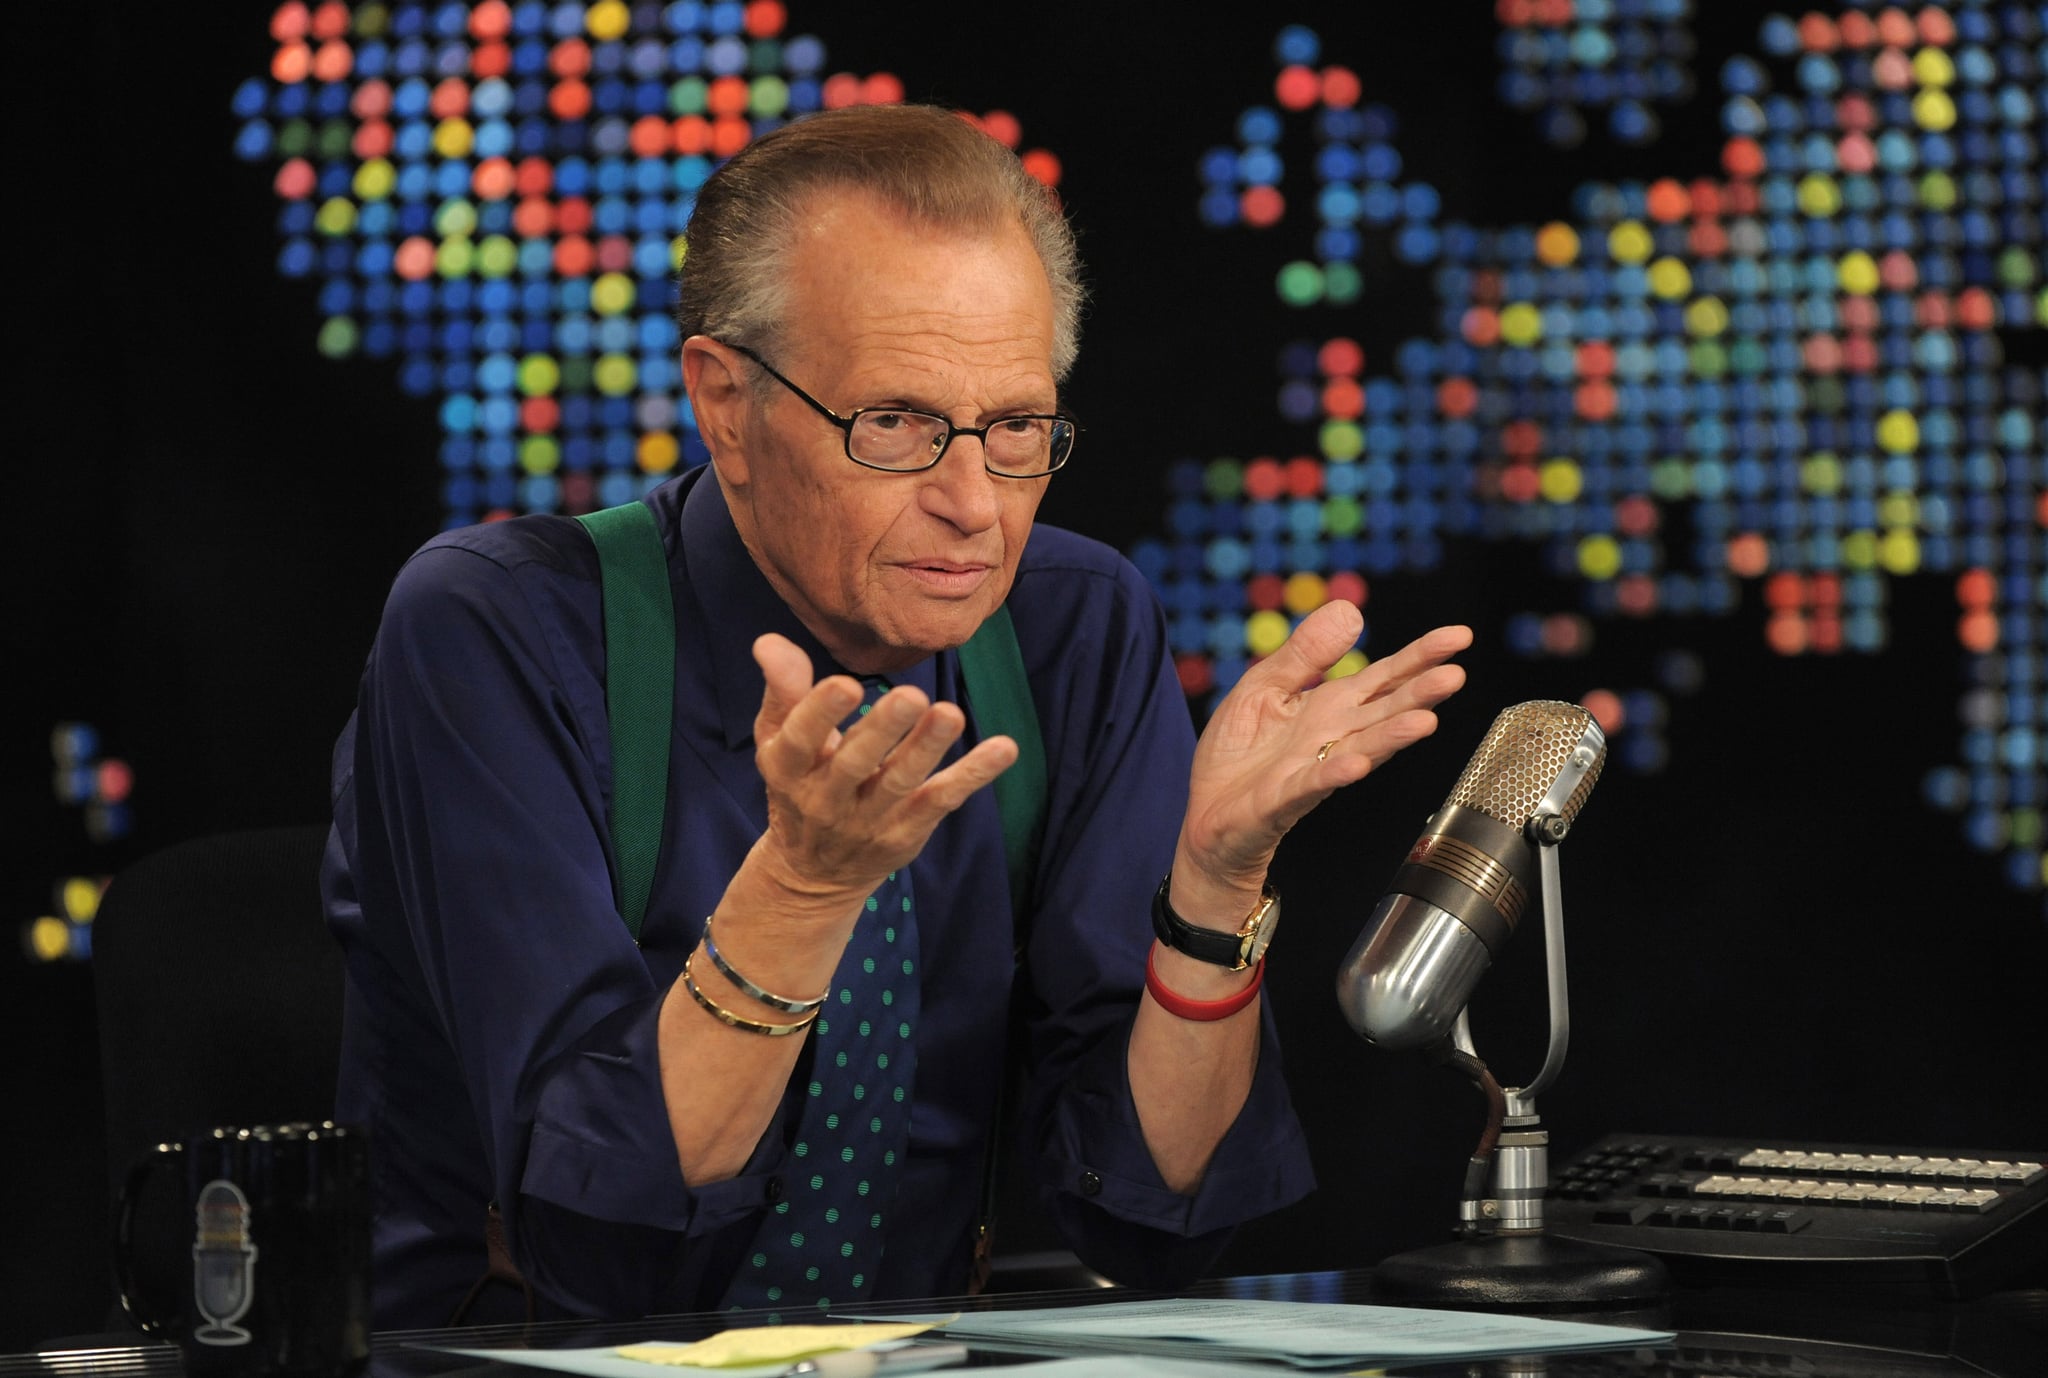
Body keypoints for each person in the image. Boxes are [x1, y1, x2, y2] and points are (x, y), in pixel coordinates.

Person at [323, 103, 1471, 1327]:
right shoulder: (495, 628)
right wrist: (799, 899)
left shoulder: (1072, 627)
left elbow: (1152, 1219)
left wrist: (1210, 889)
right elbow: (602, 1252)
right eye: (897, 425)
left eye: (1016, 429)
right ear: (724, 402)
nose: (973, 504)